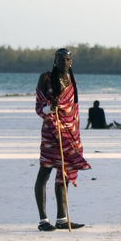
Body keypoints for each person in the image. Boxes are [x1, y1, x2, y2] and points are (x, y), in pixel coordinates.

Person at [34, 49, 91, 231]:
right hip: (52, 132)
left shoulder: (72, 80)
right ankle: (43, 220)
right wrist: (51, 107)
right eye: (60, 59)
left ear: (71, 62)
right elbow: (38, 106)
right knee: (45, 172)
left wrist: (76, 135)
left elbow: (74, 109)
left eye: (67, 59)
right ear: (55, 61)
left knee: (64, 174)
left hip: (70, 133)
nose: (64, 62)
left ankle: (62, 218)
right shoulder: (46, 78)